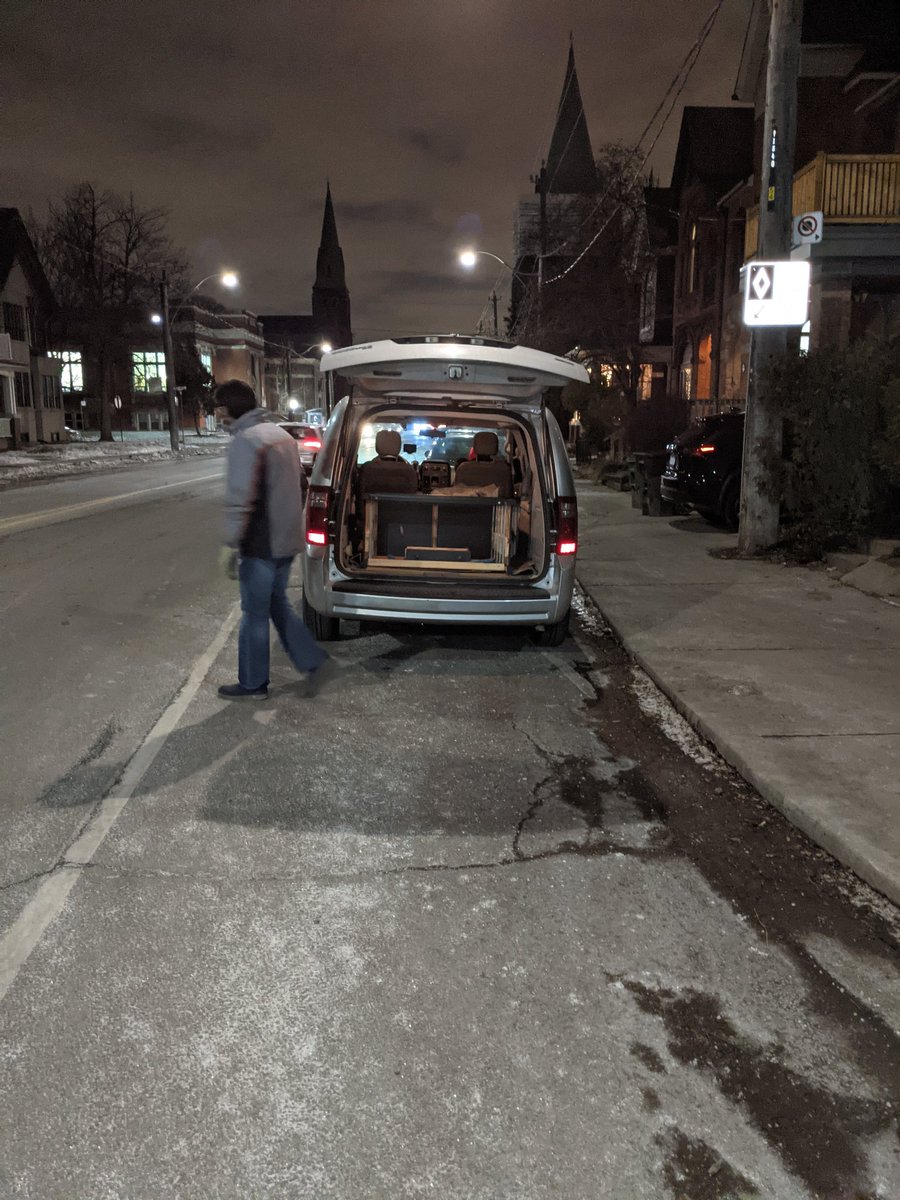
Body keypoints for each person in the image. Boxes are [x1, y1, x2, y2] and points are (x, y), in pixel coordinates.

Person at [216, 379, 336, 700]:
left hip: (260, 543)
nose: (217, 414)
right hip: (286, 539)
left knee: (254, 615)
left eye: (219, 407)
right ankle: (313, 661)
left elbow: (241, 498)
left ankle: (253, 684)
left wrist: (230, 543)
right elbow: (300, 484)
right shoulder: (280, 436)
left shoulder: (247, 441)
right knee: (277, 605)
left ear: (228, 409)